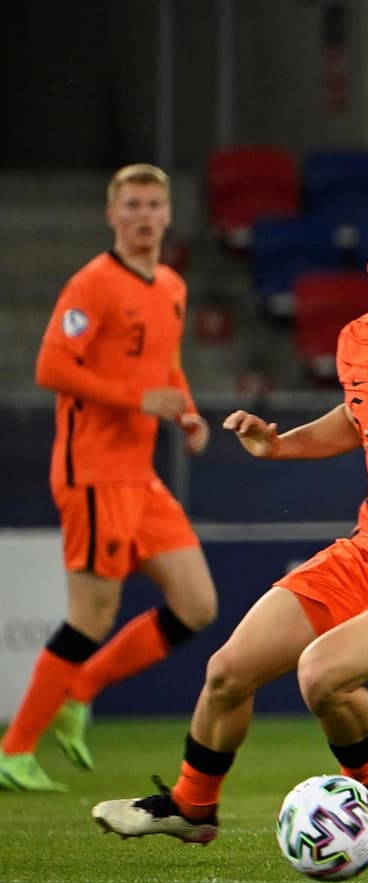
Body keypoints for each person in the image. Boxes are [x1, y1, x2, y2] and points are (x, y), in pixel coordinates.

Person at [90, 203, 368, 843]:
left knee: (321, 673)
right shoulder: (357, 339)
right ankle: (193, 806)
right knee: (228, 671)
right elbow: (356, 417)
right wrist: (280, 445)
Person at [0, 164, 217, 792]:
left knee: (197, 604)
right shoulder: (91, 284)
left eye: (153, 205)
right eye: (133, 205)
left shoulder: (171, 285)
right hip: (92, 473)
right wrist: (136, 399)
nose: (144, 216)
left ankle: (83, 688)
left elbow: (166, 361)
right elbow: (50, 367)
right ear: (112, 214)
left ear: (168, 215)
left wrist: (187, 412)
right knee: (92, 615)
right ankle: (15, 749)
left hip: (139, 476)